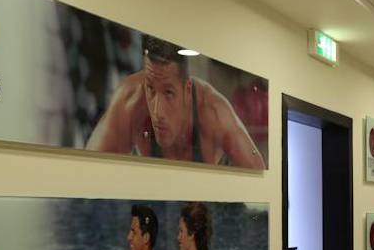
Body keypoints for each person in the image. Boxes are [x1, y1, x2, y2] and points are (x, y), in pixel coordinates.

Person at [86, 35, 266, 169]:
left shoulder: (213, 110)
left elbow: (258, 176)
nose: (157, 112)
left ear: (187, 90)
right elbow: (89, 171)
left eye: (168, 93)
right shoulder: (130, 100)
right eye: (150, 89)